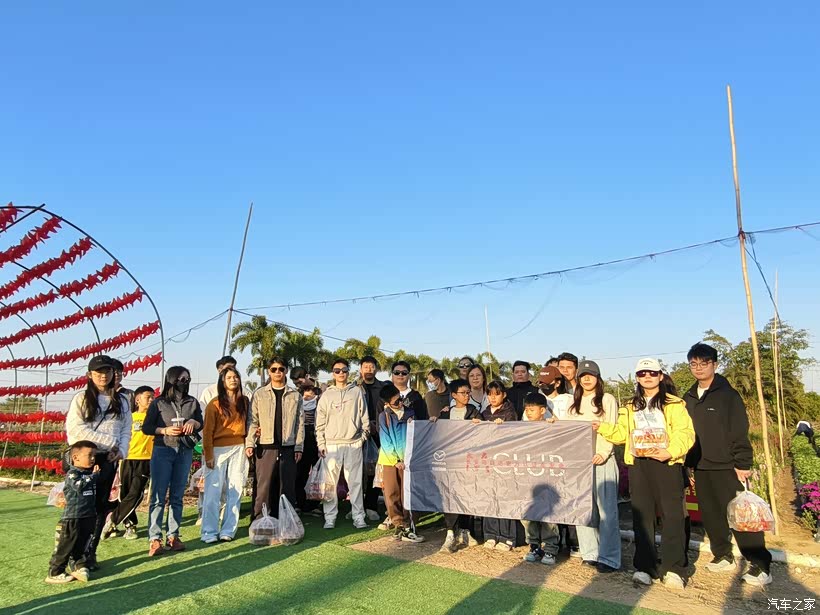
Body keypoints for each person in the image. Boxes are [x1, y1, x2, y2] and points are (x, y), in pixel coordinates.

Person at [595, 358, 695, 589]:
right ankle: (645, 567)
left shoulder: (674, 404)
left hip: (667, 463)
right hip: (639, 464)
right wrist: (602, 427)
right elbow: (622, 434)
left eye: (652, 373)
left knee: (673, 516)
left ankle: (674, 568)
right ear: (637, 378)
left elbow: (685, 433)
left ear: (660, 376)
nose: (647, 377)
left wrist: (670, 452)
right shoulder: (630, 406)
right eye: (642, 374)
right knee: (642, 516)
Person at [683, 343, 774, 587]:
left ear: (714, 364)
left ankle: (760, 564)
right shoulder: (688, 397)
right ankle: (723, 555)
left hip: (728, 466)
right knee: (712, 515)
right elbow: (685, 433)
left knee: (741, 515)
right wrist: (688, 464)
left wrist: (743, 462)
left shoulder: (728, 395)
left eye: (704, 363)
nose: (699, 368)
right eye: (694, 363)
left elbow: (739, 431)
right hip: (701, 467)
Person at [66, 355, 132, 571]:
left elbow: (126, 429)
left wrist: (121, 450)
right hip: (85, 461)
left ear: (114, 374)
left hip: (108, 460)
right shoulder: (81, 399)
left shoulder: (122, 401)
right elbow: (76, 430)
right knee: (81, 508)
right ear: (90, 375)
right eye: (99, 372)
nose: (104, 376)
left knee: (100, 508)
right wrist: (110, 442)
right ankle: (75, 554)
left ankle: (90, 552)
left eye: (108, 371)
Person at [564, 360, 621, 573]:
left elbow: (612, 426)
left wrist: (603, 452)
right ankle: (590, 552)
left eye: (591, 375)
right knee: (583, 509)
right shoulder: (574, 402)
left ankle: (609, 557)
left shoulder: (607, 399)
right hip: (580, 463)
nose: (587, 379)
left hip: (602, 460)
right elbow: (567, 431)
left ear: (598, 377)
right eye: (583, 376)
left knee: (607, 511)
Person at [142, 365, 203, 556]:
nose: (185, 382)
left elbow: (201, 422)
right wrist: (164, 430)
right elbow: (147, 427)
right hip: (163, 449)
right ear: (171, 380)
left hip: (184, 451)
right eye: (181, 379)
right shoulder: (158, 403)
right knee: (158, 496)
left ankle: (173, 536)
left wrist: (194, 422)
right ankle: (155, 538)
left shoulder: (192, 402)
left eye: (187, 379)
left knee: (177, 496)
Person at [245, 356, 304, 519]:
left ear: (286, 371)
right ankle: (259, 521)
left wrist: (299, 447)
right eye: (274, 369)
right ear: (269, 372)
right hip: (265, 447)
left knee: (287, 488)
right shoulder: (259, 394)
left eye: (281, 369)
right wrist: (249, 443)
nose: (278, 372)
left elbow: (300, 423)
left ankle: (287, 522)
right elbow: (252, 420)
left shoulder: (295, 395)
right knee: (263, 488)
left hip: (288, 447)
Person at [315, 358, 370, 529]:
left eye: (344, 370)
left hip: (353, 443)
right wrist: (321, 443)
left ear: (348, 372)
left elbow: (365, 418)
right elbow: (320, 422)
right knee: (330, 483)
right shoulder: (327, 395)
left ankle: (358, 516)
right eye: (337, 370)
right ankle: (330, 517)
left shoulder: (357, 392)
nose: (341, 373)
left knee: (355, 483)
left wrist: (361, 439)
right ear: (333, 373)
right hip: (331, 445)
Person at [430, 378, 482, 551]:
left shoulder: (474, 412)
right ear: (454, 395)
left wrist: (479, 425)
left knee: (466, 495)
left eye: (468, 393)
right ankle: (450, 532)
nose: (466, 395)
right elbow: (438, 435)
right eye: (463, 393)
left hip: (467, 462)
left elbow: (484, 434)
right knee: (450, 496)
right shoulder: (445, 413)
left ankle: (465, 530)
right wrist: (433, 421)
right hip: (449, 462)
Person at [202, 366, 250, 543]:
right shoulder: (214, 404)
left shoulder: (244, 401)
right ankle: (209, 532)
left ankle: (228, 530)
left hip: (239, 448)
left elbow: (249, 423)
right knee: (213, 492)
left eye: (236, 376)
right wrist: (208, 455)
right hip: (217, 450)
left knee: (235, 490)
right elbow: (207, 432)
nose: (233, 380)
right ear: (222, 381)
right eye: (229, 377)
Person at [104, 385, 155, 540]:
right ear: (138, 399)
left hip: (145, 460)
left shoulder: (155, 418)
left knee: (135, 493)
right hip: (126, 459)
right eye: (148, 397)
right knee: (124, 494)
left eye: (153, 397)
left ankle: (113, 519)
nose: (151, 400)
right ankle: (130, 525)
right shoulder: (129, 417)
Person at [46, 440, 100, 584]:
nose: (93, 458)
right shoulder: (73, 473)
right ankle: (55, 572)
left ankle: (79, 565)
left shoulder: (89, 473)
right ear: (75, 457)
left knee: (83, 543)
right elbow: (79, 486)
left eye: (94, 455)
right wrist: (93, 476)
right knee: (66, 545)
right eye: (89, 455)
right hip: (73, 517)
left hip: (88, 516)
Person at [378, 383, 425, 543]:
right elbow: (385, 439)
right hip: (390, 460)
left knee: (408, 493)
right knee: (391, 492)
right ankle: (398, 523)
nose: (400, 403)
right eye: (396, 402)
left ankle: (409, 525)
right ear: (387, 403)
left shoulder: (410, 413)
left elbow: (416, 434)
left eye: (401, 399)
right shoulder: (384, 416)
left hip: (408, 459)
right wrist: (395, 460)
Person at [474, 380, 518, 551]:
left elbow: (514, 434)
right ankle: (491, 535)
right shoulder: (484, 413)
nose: (493, 398)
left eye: (497, 394)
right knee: (489, 496)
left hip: (505, 461)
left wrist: (503, 426)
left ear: (504, 395)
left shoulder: (510, 412)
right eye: (490, 394)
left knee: (505, 497)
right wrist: (476, 424)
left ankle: (507, 537)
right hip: (488, 462)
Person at [520, 393, 561, 566]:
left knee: (548, 512)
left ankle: (550, 548)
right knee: (527, 512)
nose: (528, 412)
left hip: (547, 477)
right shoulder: (520, 428)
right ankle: (534, 546)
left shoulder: (551, 426)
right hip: (526, 476)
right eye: (526, 409)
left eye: (532, 409)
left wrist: (555, 425)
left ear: (543, 410)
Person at [197, 355, 237, 526]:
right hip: (213, 444)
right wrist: (206, 445)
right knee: (210, 481)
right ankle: (203, 512)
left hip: (235, 446)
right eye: (226, 370)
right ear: (219, 370)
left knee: (230, 483)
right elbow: (205, 422)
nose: (230, 374)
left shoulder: (242, 393)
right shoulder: (209, 393)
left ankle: (225, 512)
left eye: (233, 369)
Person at [357, 355, 386, 522]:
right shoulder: (354, 388)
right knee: (357, 472)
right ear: (360, 369)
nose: (369, 369)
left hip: (379, 434)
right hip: (358, 434)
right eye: (365, 367)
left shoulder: (383, 388)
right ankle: (357, 506)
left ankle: (371, 506)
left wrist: (377, 424)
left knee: (374, 470)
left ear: (376, 369)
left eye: (372, 366)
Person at [296, 383, 322, 515]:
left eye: (311, 395)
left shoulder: (320, 405)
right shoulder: (298, 405)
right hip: (302, 440)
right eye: (306, 396)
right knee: (301, 473)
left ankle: (314, 504)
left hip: (316, 440)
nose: (308, 398)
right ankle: (300, 503)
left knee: (317, 474)